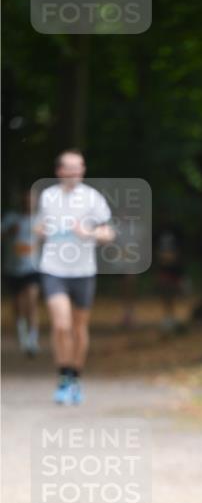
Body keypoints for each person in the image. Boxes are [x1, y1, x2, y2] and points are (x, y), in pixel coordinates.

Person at [36, 150, 115, 405]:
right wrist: (39, 230)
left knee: (79, 328)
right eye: (69, 168)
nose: (74, 173)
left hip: (83, 270)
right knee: (61, 325)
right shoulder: (48, 196)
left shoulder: (92, 198)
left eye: (78, 168)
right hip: (53, 268)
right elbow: (38, 227)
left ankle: (75, 377)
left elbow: (108, 233)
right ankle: (63, 378)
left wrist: (88, 233)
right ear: (59, 171)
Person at [1, 190, 41, 355]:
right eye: (25, 200)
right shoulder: (11, 218)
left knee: (31, 301)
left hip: (32, 269)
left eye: (31, 200)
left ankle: (33, 340)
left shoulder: (41, 220)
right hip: (13, 268)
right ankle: (22, 334)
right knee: (17, 305)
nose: (28, 203)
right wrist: (10, 231)